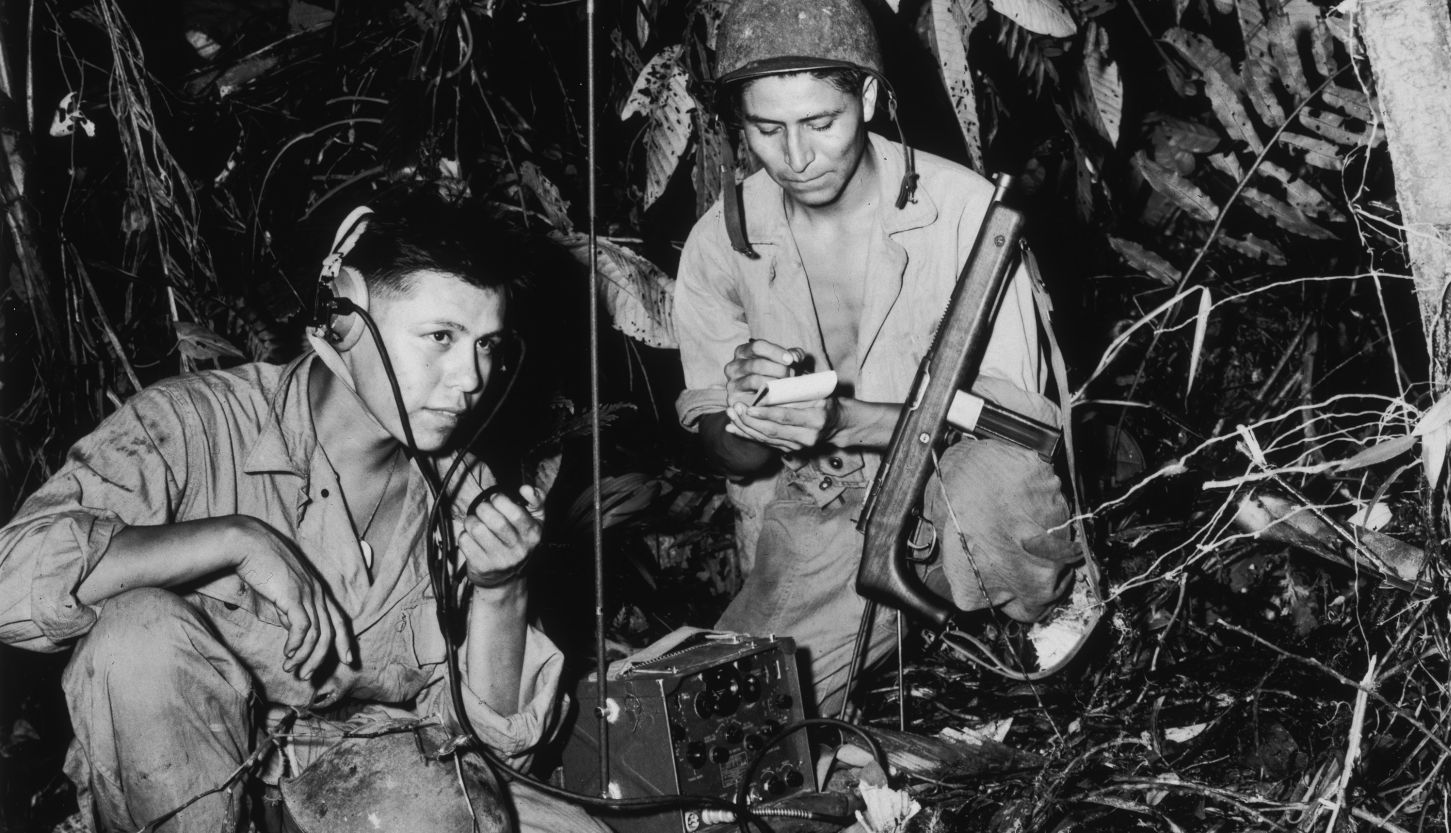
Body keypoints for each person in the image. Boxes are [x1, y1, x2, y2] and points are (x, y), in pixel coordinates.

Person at [0, 194, 608, 833]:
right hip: (187, 791)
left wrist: (501, 589)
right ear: (345, 318)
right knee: (136, 630)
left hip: (367, 784)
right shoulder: (193, 428)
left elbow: (493, 754)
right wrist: (236, 540)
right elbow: (12, 581)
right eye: (441, 338)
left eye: (487, 345)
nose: (470, 378)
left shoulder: (464, 494)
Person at [674, 0, 1083, 717]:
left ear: (865, 98)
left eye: (820, 123)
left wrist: (843, 418)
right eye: (767, 129)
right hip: (824, 508)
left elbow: (1025, 430)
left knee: (996, 495)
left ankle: (1035, 606)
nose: (795, 157)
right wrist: (750, 411)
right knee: (724, 715)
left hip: (956, 484)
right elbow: (728, 450)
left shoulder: (964, 212)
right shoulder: (721, 243)